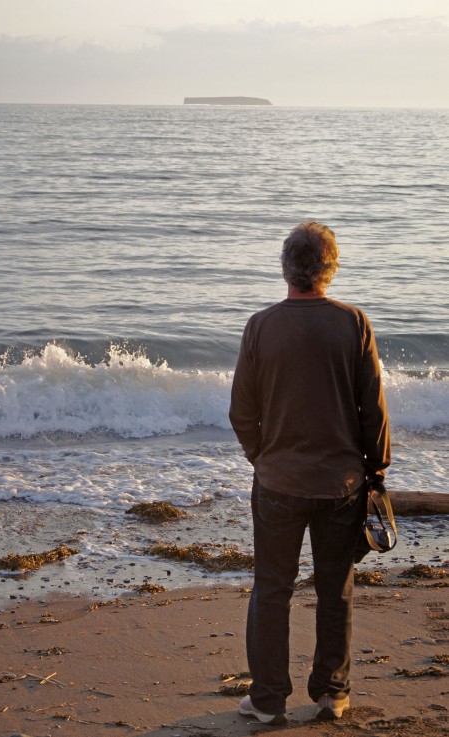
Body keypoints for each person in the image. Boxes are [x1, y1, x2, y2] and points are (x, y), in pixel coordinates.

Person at [229, 221, 390, 724]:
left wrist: (263, 456)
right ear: (330, 269)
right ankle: (332, 693)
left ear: (286, 268)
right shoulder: (353, 323)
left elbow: (241, 411)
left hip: (278, 481)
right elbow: (374, 411)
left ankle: (269, 698)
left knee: (272, 590)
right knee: (334, 588)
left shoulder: (260, 326)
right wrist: (376, 469)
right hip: (341, 484)